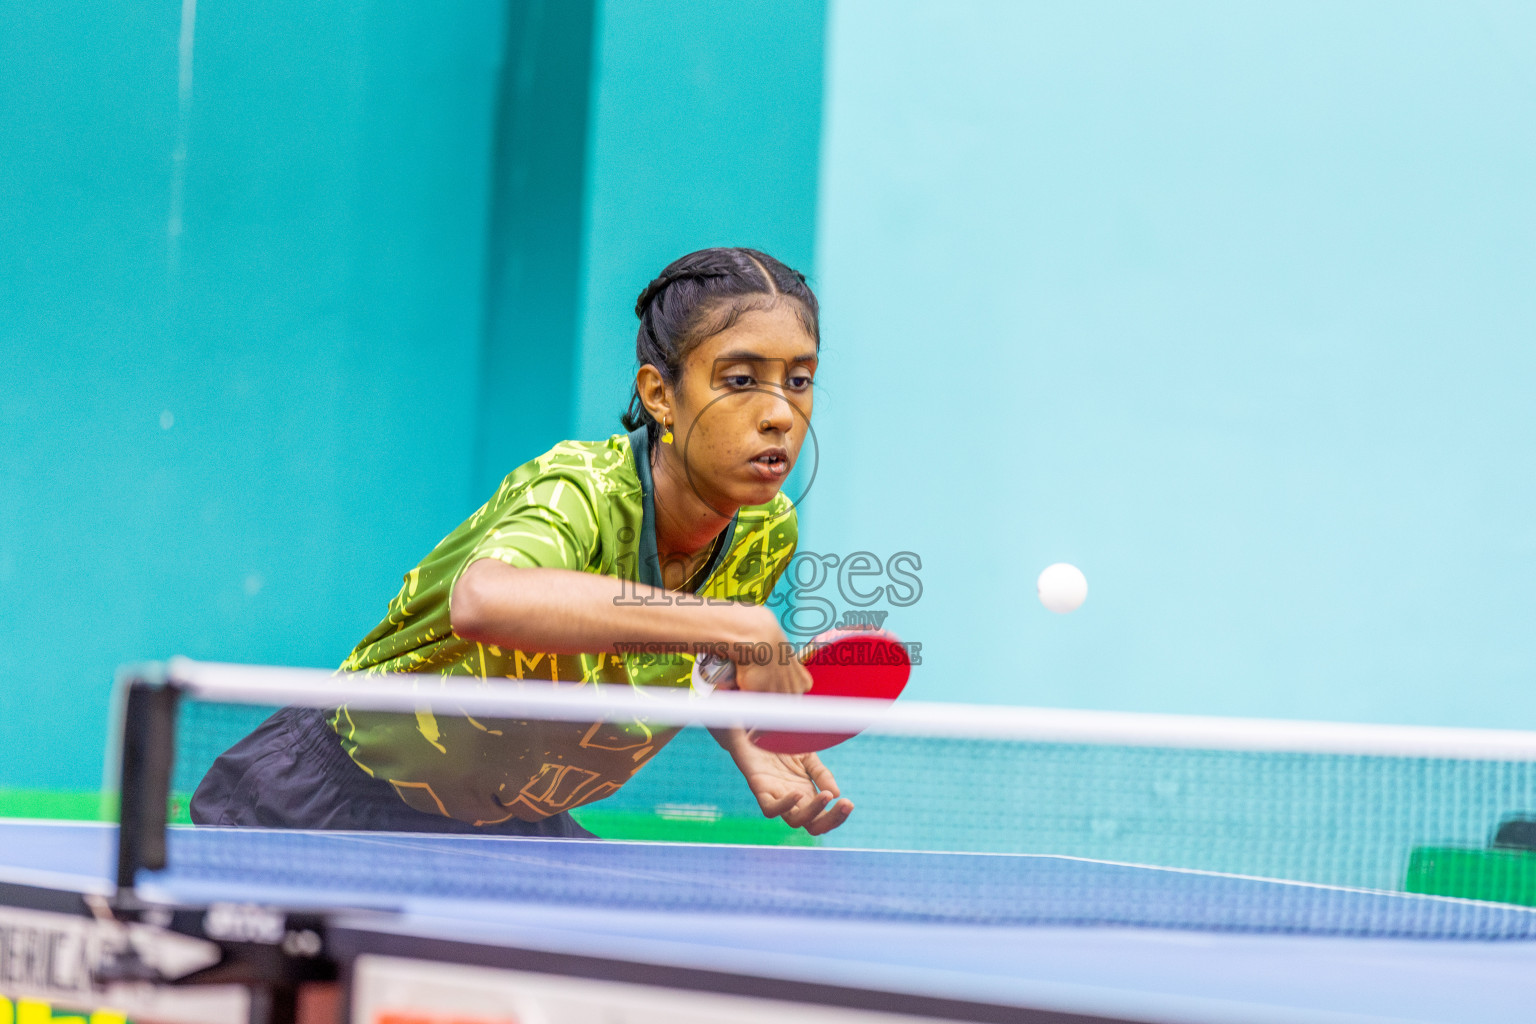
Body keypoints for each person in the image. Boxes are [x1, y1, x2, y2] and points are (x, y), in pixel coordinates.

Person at [191, 247, 851, 838]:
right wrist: (735, 625)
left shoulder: (765, 527)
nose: (779, 413)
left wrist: (746, 736)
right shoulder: (577, 491)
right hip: (339, 801)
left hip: (515, 820)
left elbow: (697, 664)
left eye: (798, 380)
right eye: (739, 380)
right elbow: (484, 599)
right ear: (660, 396)